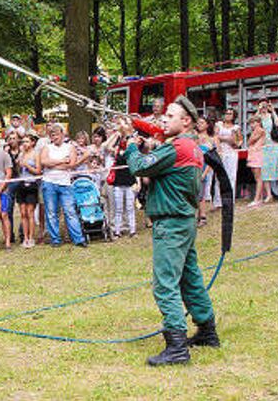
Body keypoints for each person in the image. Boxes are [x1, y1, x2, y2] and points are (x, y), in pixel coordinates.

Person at [122, 96, 219, 366]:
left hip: (171, 223)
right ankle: (207, 332)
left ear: (185, 121)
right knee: (190, 279)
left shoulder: (176, 147)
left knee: (165, 283)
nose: (164, 118)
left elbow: (139, 167)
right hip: (184, 220)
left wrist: (131, 147)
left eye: (170, 115)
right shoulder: (192, 147)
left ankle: (176, 346)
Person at [39, 123, 87, 247]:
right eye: (52, 135)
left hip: (65, 183)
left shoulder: (70, 147)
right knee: (51, 212)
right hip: (49, 182)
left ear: (63, 134)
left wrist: (53, 164)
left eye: (57, 135)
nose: (55, 138)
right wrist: (61, 162)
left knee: (70, 211)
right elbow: (44, 162)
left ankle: (78, 239)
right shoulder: (46, 148)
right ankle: (55, 239)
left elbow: (71, 164)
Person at [16, 134, 40, 248]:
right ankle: (25, 238)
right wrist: (19, 164)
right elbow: (18, 170)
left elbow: (38, 171)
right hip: (21, 184)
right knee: (23, 213)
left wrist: (27, 166)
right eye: (23, 142)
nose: (24, 144)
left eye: (27, 141)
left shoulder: (36, 154)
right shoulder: (21, 154)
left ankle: (31, 238)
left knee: (30, 213)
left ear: (32, 142)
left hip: (32, 185)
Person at [213, 108, 241, 208]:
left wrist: (226, 139)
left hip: (232, 153)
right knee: (219, 177)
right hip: (221, 152)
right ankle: (218, 202)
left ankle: (229, 201)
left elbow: (238, 142)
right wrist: (219, 148)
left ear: (234, 116)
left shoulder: (236, 127)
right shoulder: (218, 125)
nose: (228, 115)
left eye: (230, 114)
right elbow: (215, 137)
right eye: (226, 113)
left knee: (231, 176)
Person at [257, 100, 278, 203]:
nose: (264, 107)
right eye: (262, 104)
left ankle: (276, 190)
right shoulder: (258, 117)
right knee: (264, 170)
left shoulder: (271, 116)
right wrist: (258, 111)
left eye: (265, 104)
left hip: (273, 144)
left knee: (272, 168)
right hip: (263, 145)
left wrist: (273, 110)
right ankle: (269, 194)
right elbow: (252, 124)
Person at [112, 140, 137, 238]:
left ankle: (132, 231)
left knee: (130, 208)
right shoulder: (116, 150)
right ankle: (117, 231)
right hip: (118, 184)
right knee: (118, 209)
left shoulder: (131, 152)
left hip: (129, 183)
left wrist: (137, 182)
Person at [196, 117, 216, 227]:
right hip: (194, 168)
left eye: (202, 122)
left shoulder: (211, 140)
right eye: (198, 123)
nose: (199, 124)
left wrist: (205, 173)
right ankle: (198, 215)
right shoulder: (194, 138)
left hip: (203, 169)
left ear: (207, 125)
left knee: (201, 194)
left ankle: (203, 216)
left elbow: (211, 160)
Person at [246, 115, 266, 207]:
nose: (252, 125)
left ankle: (257, 199)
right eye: (251, 123)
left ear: (259, 122)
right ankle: (260, 198)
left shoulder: (260, 130)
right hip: (252, 154)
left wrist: (251, 138)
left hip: (257, 154)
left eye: (254, 123)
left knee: (258, 178)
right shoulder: (255, 131)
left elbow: (250, 141)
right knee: (256, 177)